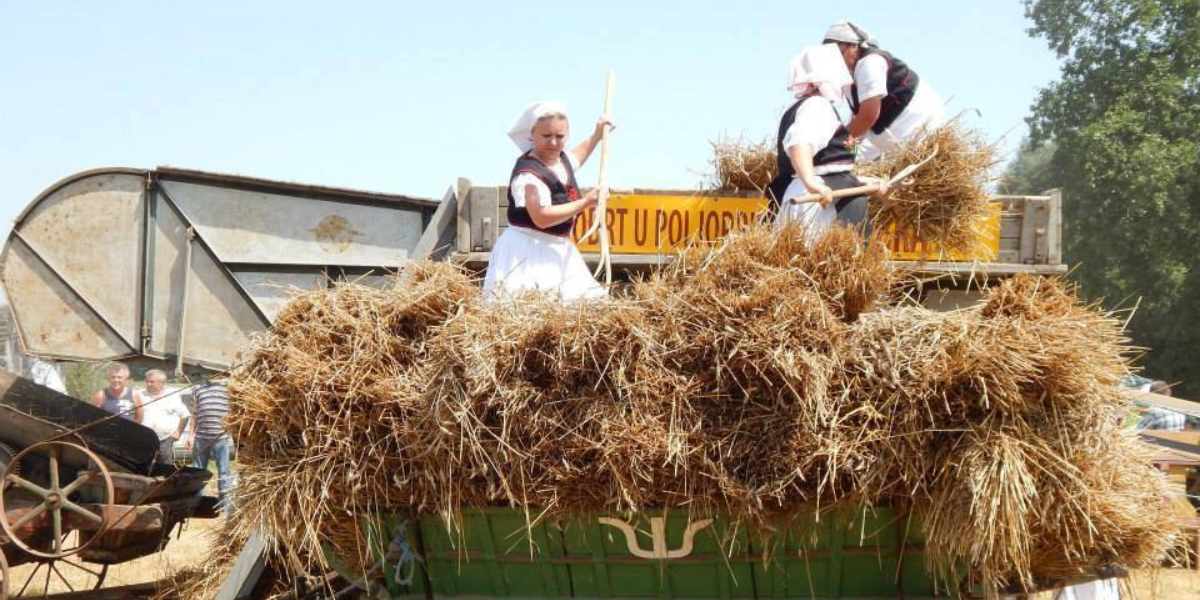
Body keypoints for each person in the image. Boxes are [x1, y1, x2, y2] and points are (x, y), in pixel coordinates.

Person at [482, 101, 612, 302]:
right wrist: (586, 202)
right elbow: (540, 218)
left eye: (560, 136)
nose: (553, 143)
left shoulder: (560, 160)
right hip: (526, 251)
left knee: (584, 308)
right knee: (529, 310)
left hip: (557, 248)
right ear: (532, 133)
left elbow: (577, 156)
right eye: (546, 136)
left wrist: (597, 135)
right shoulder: (528, 175)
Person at [769, 44, 873, 242]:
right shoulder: (817, 105)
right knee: (818, 265)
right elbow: (799, 144)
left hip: (815, 191)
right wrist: (811, 183)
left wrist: (863, 181)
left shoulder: (801, 106)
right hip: (817, 202)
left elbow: (828, 163)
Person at [822, 21, 946, 162]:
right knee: (852, 160)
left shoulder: (870, 62)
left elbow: (868, 117)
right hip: (888, 139)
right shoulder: (848, 83)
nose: (838, 59)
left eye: (841, 52)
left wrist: (835, 143)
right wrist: (846, 149)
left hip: (916, 129)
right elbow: (857, 128)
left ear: (855, 46)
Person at [187, 378, 234, 509]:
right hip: (201, 437)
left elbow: (234, 411)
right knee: (198, 470)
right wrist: (191, 435)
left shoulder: (228, 387)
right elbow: (194, 414)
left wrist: (230, 430)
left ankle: (224, 504)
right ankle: (198, 502)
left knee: (224, 471)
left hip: (221, 437)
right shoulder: (198, 387)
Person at [140, 369, 189, 465]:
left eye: (152, 382)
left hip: (165, 439)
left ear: (161, 383)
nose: (148, 384)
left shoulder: (171, 397)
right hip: (145, 438)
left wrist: (178, 432)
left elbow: (185, 415)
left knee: (165, 465)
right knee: (145, 465)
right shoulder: (140, 395)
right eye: (147, 381)